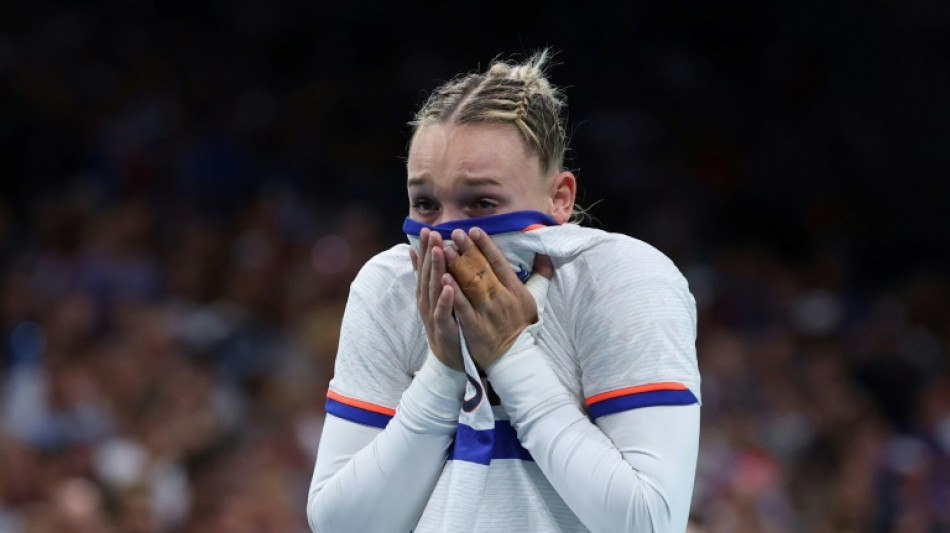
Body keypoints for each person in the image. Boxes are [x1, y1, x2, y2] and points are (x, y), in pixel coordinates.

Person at [306, 50, 701, 533]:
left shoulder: (621, 280)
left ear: (560, 199)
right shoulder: (389, 286)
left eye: (481, 202)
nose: (448, 233)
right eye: (426, 203)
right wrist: (444, 372)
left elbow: (649, 523)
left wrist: (510, 356)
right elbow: (342, 526)